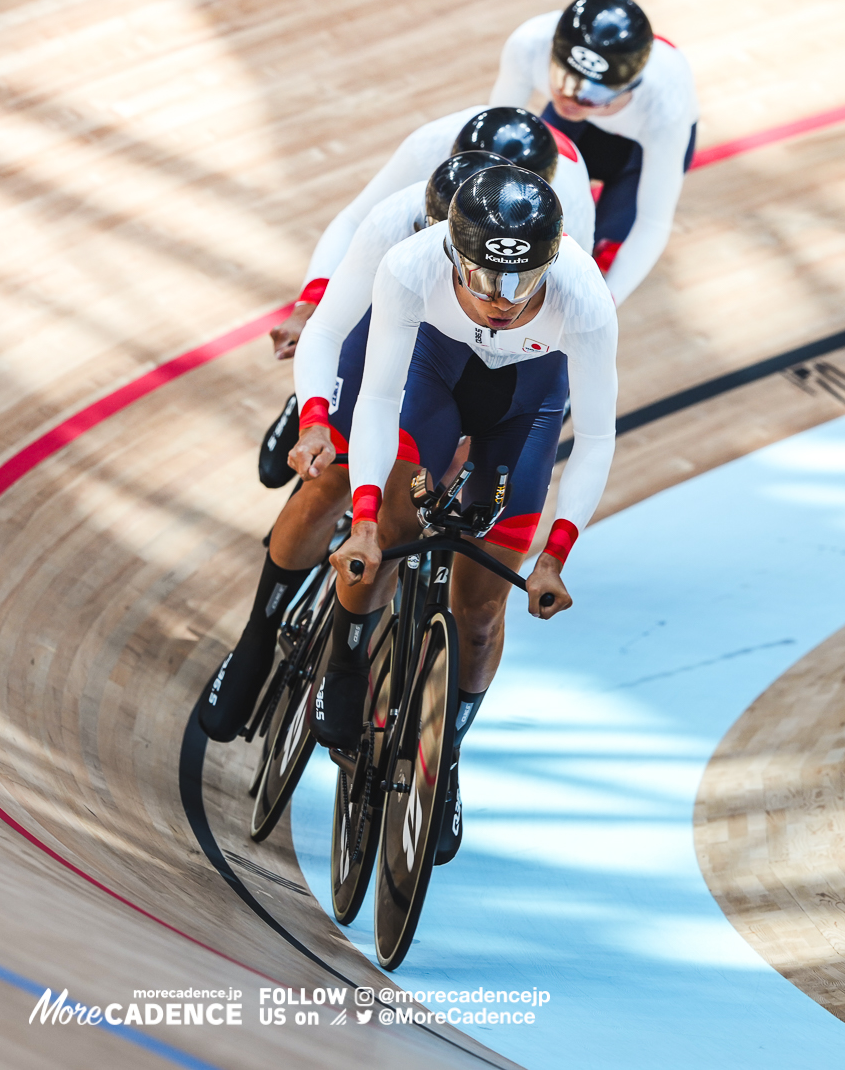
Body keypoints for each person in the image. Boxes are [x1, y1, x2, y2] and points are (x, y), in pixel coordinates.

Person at [312, 165, 618, 863]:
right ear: (452, 252)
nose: (502, 303)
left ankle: (441, 754)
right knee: (391, 532)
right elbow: (381, 401)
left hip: (525, 408)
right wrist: (361, 516)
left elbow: (595, 436)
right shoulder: (409, 266)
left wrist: (555, 556)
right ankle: (348, 656)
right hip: (433, 378)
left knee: (481, 613)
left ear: (553, 259)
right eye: (484, 280)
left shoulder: (586, 300)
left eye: (522, 283)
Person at [198, 149, 508, 741]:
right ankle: (258, 640)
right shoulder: (396, 222)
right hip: (387, 326)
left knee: (409, 513)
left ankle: (364, 668)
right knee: (335, 477)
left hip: (477, 348)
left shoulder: (540, 252)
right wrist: (316, 417)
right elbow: (332, 329)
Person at [269, 107, 595, 361]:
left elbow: (553, 317)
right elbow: (354, 221)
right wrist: (311, 303)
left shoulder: (568, 211)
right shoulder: (428, 148)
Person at [491, 0, 699, 306]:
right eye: (563, 79)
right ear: (551, 55)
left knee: (599, 261)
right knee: (517, 201)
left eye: (593, 95)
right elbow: (493, 146)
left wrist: (605, 304)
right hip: (580, 130)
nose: (571, 99)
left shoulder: (664, 109)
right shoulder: (530, 42)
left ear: (629, 88)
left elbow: (653, 223)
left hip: (640, 154)